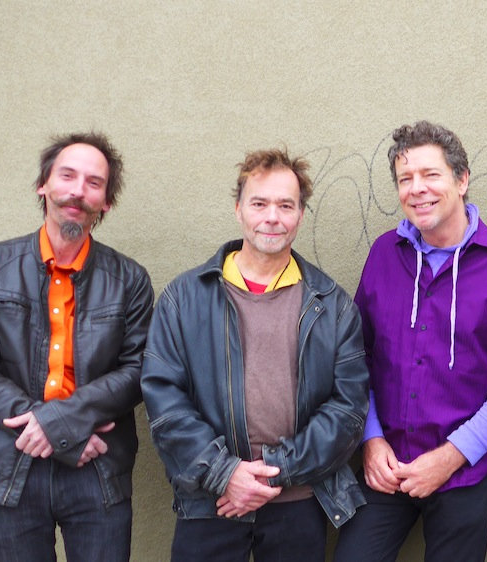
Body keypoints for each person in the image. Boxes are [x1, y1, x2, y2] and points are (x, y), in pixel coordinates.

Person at [333, 121, 487, 562]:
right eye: (405, 179)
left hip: (463, 471)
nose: (417, 189)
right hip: (386, 466)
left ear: (461, 179)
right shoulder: (384, 254)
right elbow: (357, 356)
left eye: (430, 174)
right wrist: (371, 440)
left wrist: (452, 456)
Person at [140, 148, 368, 561]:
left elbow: (347, 409)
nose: (272, 217)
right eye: (259, 204)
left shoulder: (333, 306)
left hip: (298, 501)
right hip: (211, 499)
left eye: (286, 205)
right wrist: (225, 473)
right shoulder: (184, 299)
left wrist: (276, 471)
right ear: (239, 210)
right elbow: (164, 401)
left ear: (301, 214)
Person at [0, 133, 153, 561]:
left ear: (106, 202)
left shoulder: (131, 280)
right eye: (67, 176)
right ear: (43, 184)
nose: (78, 190)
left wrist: (60, 424)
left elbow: (138, 370)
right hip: (10, 464)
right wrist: (58, 431)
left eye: (94, 183)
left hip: (97, 468)